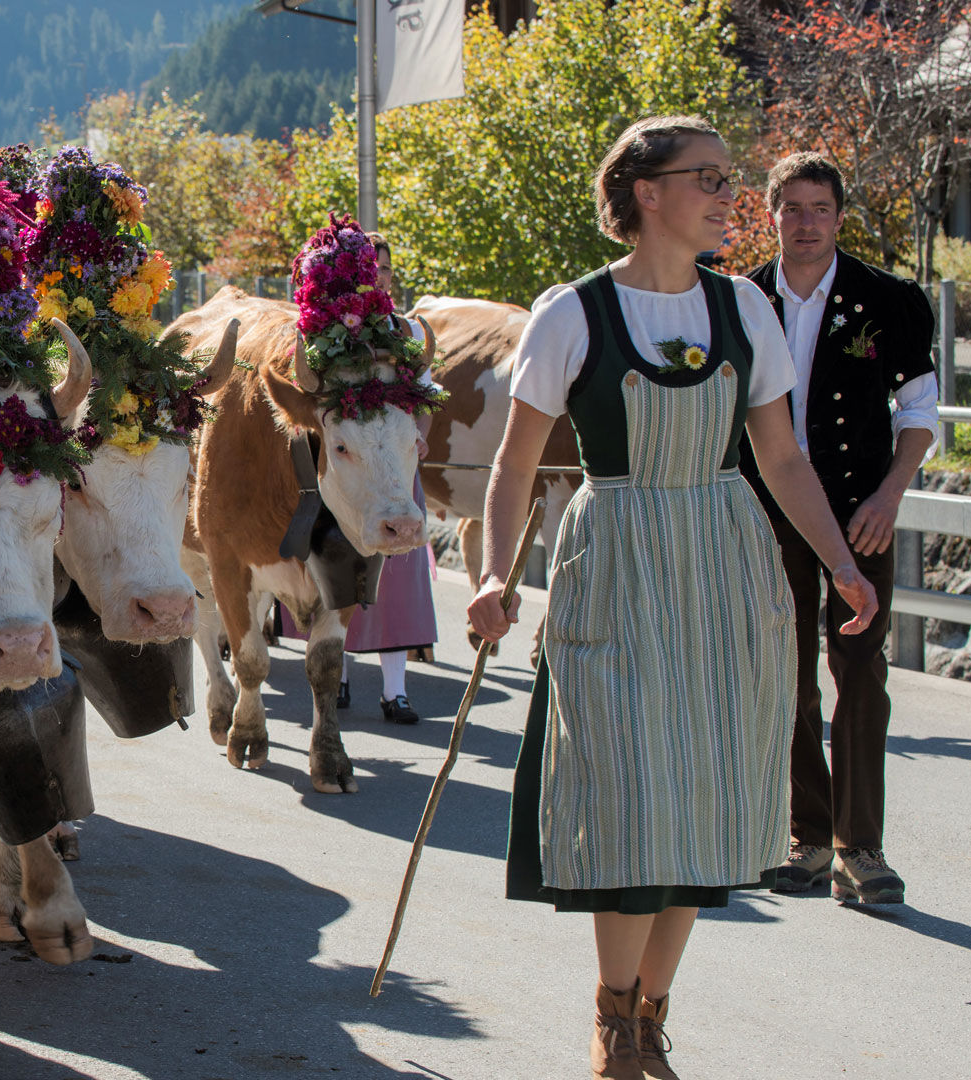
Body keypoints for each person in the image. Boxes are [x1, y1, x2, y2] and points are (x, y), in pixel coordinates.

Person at [473, 116, 877, 1080]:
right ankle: (614, 1019)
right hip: (613, 556)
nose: (727, 195)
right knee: (624, 787)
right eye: (708, 178)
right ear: (646, 192)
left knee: (705, 789)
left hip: (722, 563)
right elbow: (514, 466)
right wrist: (494, 574)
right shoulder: (571, 313)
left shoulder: (745, 307)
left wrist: (840, 565)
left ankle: (651, 1015)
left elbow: (781, 455)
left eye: (728, 178)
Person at [740, 152, 935, 906]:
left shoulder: (890, 300)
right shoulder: (741, 299)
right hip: (768, 514)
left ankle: (863, 849)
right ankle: (809, 839)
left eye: (820, 208)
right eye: (792, 207)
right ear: (771, 214)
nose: (806, 222)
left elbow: (918, 412)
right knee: (784, 675)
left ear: (840, 217)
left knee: (860, 671)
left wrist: (889, 496)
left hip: (863, 511)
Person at [337, 233, 438, 722]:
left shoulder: (408, 332)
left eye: (385, 269)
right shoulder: (331, 334)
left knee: (396, 580)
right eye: (369, 268)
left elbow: (425, 399)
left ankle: (394, 691)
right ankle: (334, 676)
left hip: (397, 476)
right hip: (349, 476)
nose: (379, 275)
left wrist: (419, 436)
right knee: (335, 571)